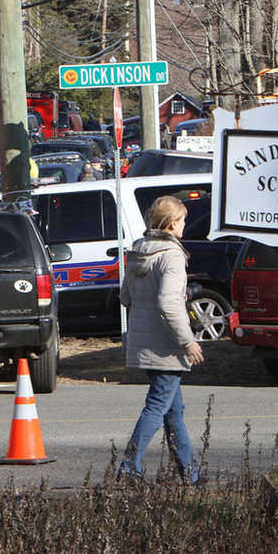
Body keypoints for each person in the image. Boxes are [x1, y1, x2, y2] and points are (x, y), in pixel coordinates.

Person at [118, 195, 205, 484]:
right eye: (181, 220)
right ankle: (129, 467)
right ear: (170, 224)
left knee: (173, 410)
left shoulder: (138, 251)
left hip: (144, 342)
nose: (184, 225)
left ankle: (190, 472)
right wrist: (188, 342)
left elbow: (125, 296)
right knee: (158, 406)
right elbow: (168, 304)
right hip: (166, 345)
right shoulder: (172, 254)